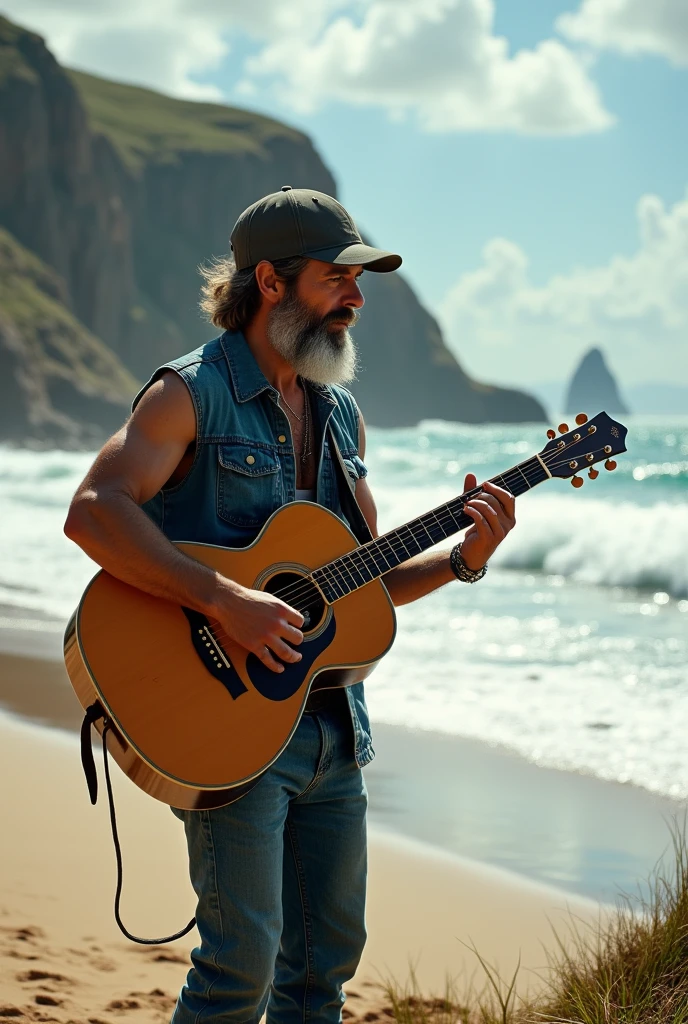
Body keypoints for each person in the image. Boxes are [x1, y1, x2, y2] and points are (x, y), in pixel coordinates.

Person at [64, 186, 516, 1024]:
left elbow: (361, 590)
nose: (355, 297)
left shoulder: (342, 414)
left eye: (358, 281)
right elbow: (94, 511)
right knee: (239, 971)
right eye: (335, 279)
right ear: (269, 283)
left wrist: (461, 561)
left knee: (322, 975)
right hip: (228, 723)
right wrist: (224, 600)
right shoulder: (188, 393)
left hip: (334, 732)